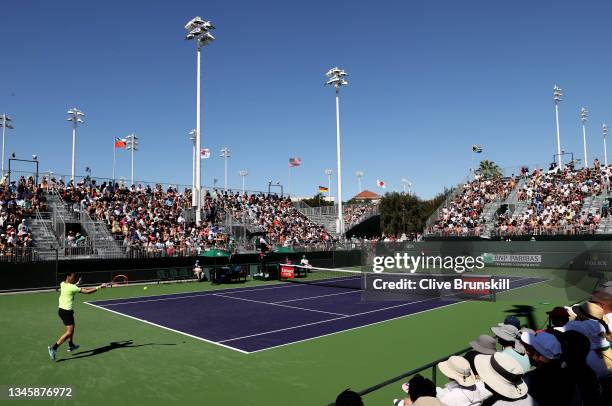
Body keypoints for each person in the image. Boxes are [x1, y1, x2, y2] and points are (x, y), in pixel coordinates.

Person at [48, 272, 105, 361]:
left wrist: (78, 283)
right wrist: (99, 287)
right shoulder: (72, 287)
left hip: (62, 310)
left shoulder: (62, 284)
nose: (74, 279)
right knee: (69, 332)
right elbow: (87, 292)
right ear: (68, 276)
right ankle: (53, 348)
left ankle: (71, 345)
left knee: (72, 328)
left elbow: (72, 286)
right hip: (66, 312)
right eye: (73, 277)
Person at [520, 331, 574, 405]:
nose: (527, 352)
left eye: (532, 349)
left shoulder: (531, 378)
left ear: (540, 356)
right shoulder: (569, 373)